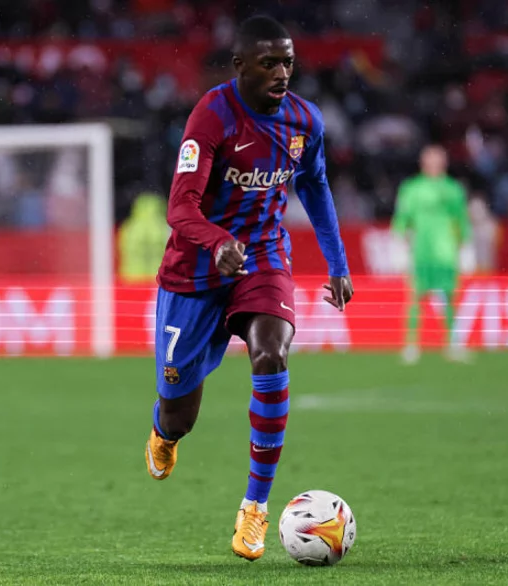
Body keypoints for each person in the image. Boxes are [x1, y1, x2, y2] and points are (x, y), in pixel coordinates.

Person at [144, 15, 353, 561]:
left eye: (288, 62)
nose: (281, 72)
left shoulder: (305, 120)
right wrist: (217, 242)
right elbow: (179, 207)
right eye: (269, 63)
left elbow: (316, 186)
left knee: (270, 353)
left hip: (262, 256)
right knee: (179, 411)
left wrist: (337, 263)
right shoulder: (213, 114)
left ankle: (255, 505)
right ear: (240, 66)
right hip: (195, 268)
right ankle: (164, 432)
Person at [391, 145, 471, 364]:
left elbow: (461, 220)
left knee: (450, 298)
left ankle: (453, 344)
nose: (434, 163)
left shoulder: (453, 189)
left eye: (438, 159)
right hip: (421, 251)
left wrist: (465, 245)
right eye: (430, 159)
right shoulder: (412, 188)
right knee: (415, 297)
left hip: (446, 252)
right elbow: (402, 217)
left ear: (444, 162)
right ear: (423, 162)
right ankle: (411, 345)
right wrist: (398, 239)